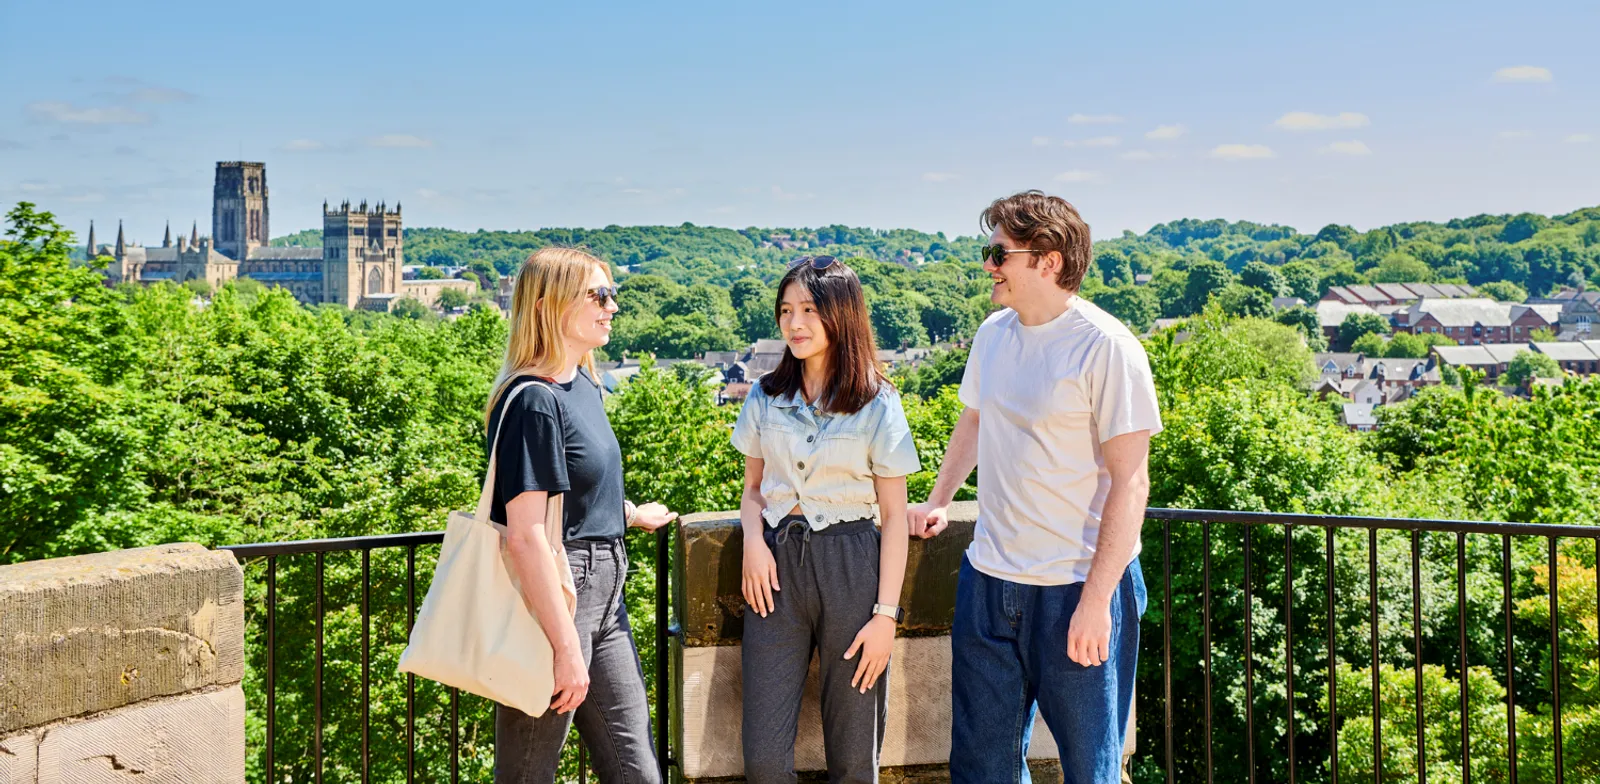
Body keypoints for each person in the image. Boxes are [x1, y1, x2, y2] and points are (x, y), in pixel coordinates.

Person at [907, 192, 1161, 784]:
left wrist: (1098, 604)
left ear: (1047, 260)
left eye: (999, 254)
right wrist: (940, 501)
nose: (988, 267)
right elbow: (974, 421)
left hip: (1077, 587)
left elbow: (1132, 482)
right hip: (989, 581)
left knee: (1090, 770)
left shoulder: (1108, 348)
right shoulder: (993, 335)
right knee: (981, 768)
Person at [486, 247, 679, 784]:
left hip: (605, 591)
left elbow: (567, 492)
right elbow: (526, 536)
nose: (612, 306)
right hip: (560, 595)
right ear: (550, 306)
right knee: (527, 773)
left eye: (611, 293)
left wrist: (628, 513)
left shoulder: (583, 387)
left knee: (636, 768)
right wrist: (565, 646)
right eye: (598, 295)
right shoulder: (533, 401)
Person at [732, 255, 922, 784]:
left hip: (852, 565)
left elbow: (892, 515)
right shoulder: (765, 397)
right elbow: (751, 491)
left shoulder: (878, 403)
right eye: (787, 310)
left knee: (855, 756)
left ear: (841, 315)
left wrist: (886, 615)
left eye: (810, 310)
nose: (794, 323)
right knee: (765, 761)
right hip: (774, 571)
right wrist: (753, 540)